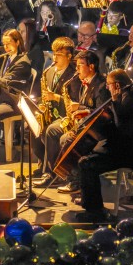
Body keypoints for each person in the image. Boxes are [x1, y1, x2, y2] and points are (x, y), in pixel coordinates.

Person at [75, 68, 133, 221]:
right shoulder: (127, 96)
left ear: (117, 85)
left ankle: (94, 211)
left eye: (109, 84)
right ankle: (89, 198)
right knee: (86, 154)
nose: (107, 87)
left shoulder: (130, 100)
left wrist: (113, 103)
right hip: (122, 147)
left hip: (128, 153)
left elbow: (121, 128)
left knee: (86, 163)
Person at [53, 51, 111, 195]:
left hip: (97, 132)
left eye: (80, 65)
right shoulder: (83, 82)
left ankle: (76, 181)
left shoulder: (102, 85)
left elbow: (101, 112)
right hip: (85, 127)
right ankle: (67, 175)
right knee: (58, 134)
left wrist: (80, 108)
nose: (77, 69)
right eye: (76, 65)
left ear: (91, 66)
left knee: (66, 139)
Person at [0, 29, 33, 162]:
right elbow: (0, 81)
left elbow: (5, 83)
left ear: (18, 42)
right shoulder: (8, 57)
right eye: (4, 44)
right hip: (4, 99)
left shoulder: (22, 62)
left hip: (15, 102)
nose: (6, 47)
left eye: (9, 43)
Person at [34, 36, 77, 178]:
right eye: (53, 54)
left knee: (50, 131)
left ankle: (51, 173)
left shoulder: (74, 74)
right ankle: (43, 162)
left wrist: (56, 97)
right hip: (52, 113)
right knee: (32, 126)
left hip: (66, 116)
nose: (54, 58)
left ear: (69, 56)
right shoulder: (50, 71)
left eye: (58, 55)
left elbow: (75, 101)